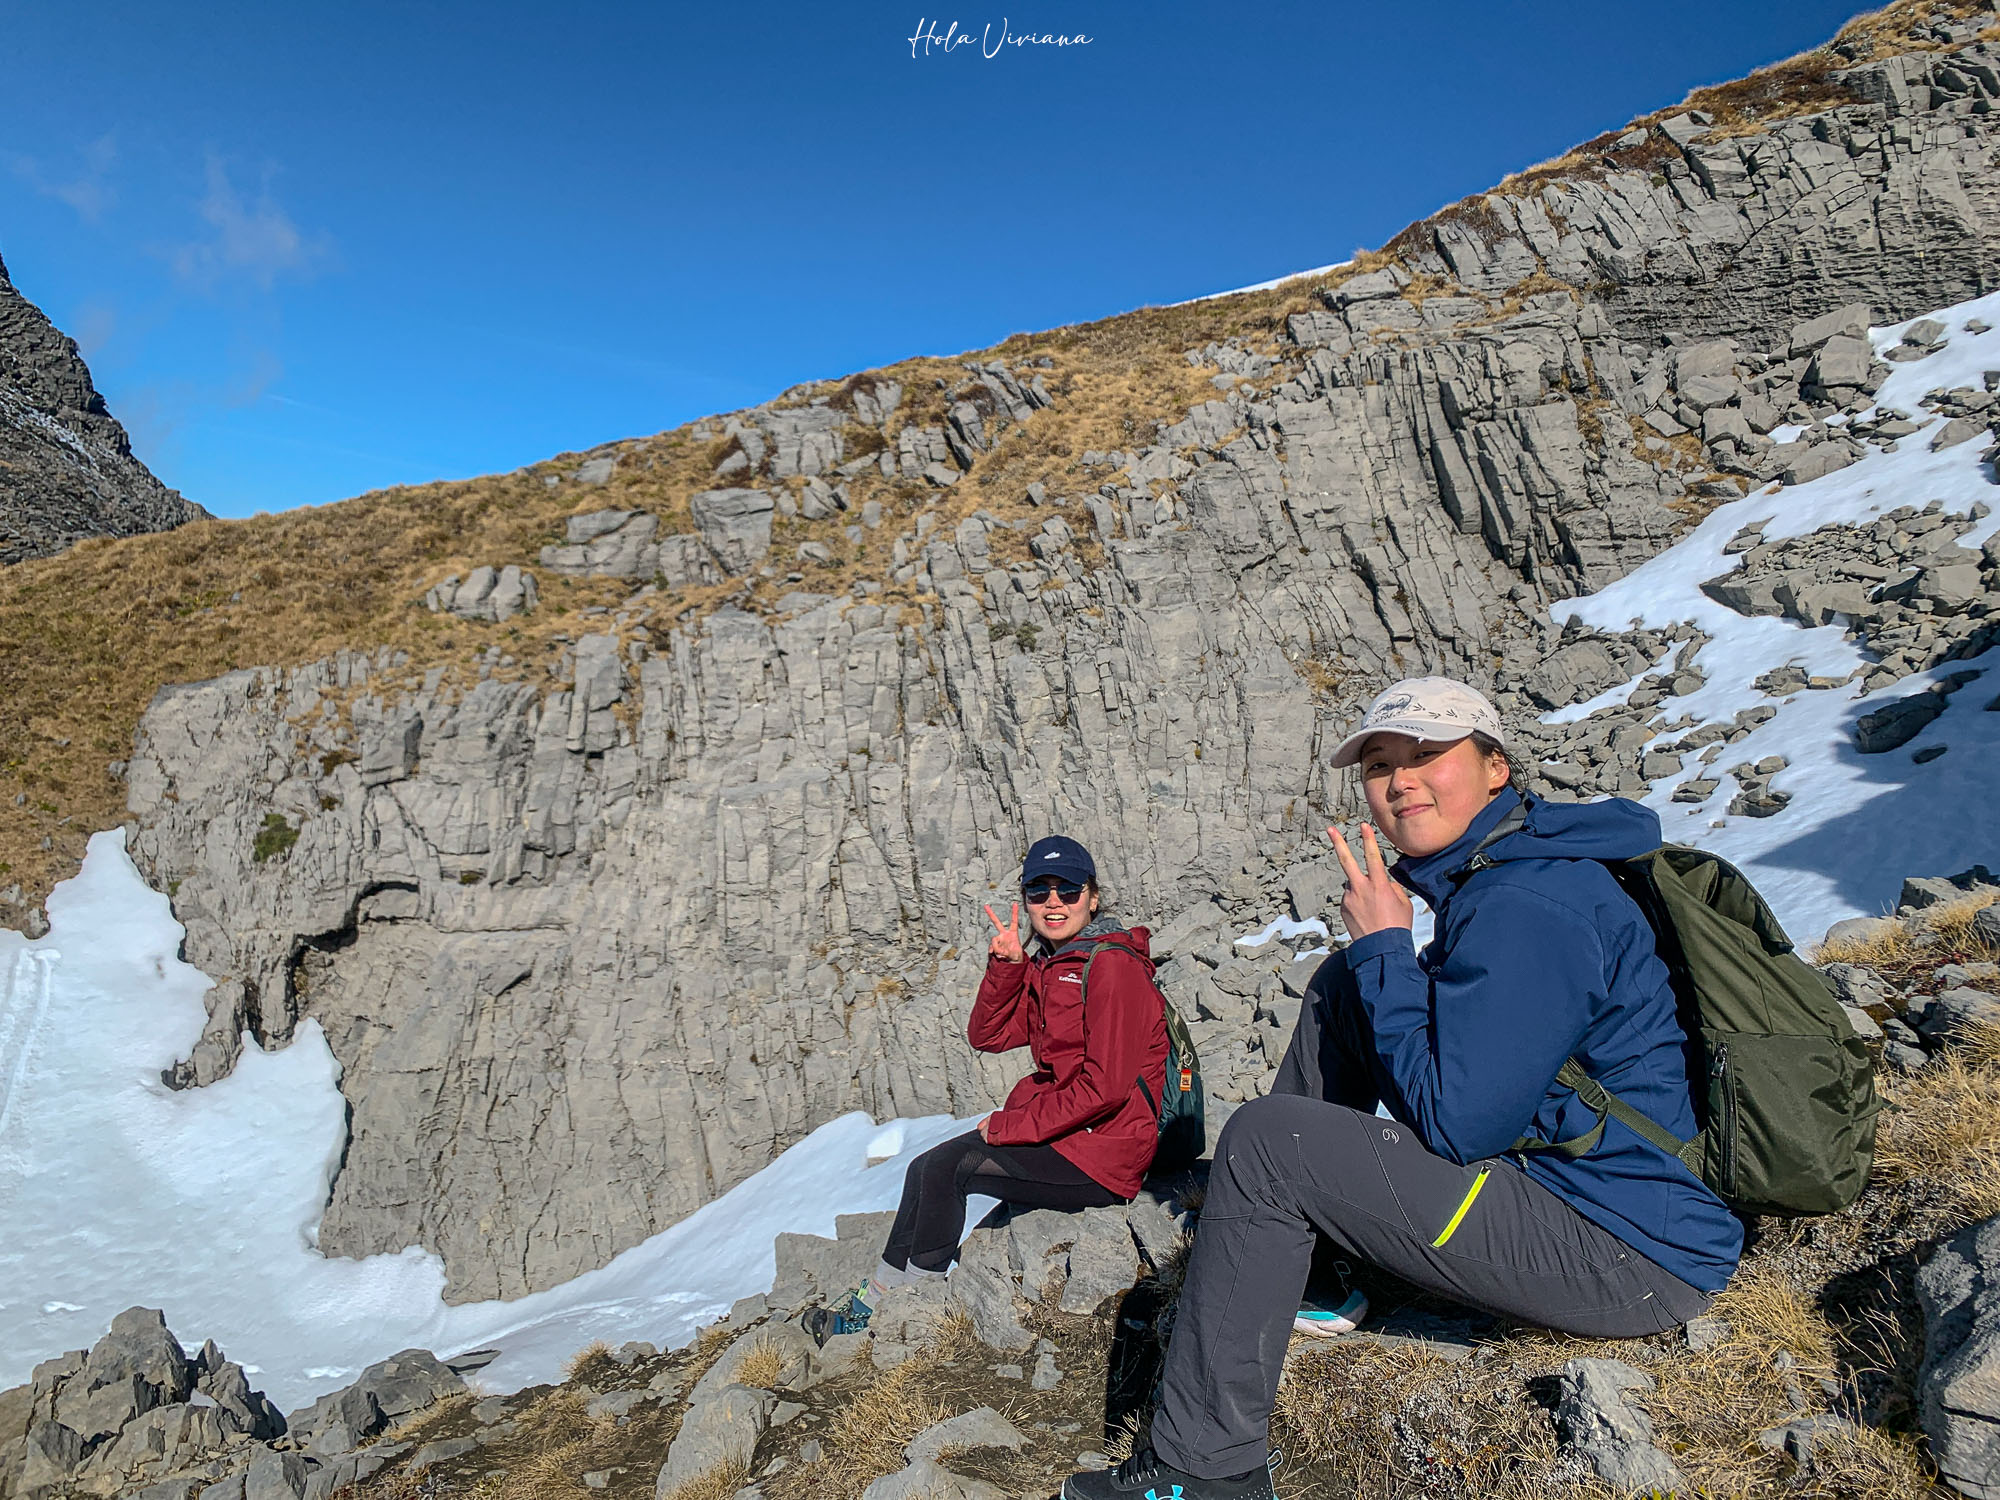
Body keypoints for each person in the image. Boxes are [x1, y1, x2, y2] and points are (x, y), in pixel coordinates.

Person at [1062, 677, 1744, 1500]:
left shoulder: (1529, 900)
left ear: (1495, 767)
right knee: (1347, 983)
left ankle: (1202, 1472)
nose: (1400, 780)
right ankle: (1300, 1267)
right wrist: (1374, 959)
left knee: (1268, 1142)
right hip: (1582, 1197)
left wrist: (1389, 943)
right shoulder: (1511, 867)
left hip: (1626, 1253)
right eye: (1380, 764)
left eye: (1428, 754)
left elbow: (1460, 1125)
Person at [807, 835, 1170, 1342]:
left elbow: (1106, 1088)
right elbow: (989, 1035)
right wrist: (1008, 966)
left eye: (1067, 889)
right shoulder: (1055, 963)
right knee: (924, 1166)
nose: (1053, 903)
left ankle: (920, 1310)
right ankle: (880, 1295)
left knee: (950, 1169)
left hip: (1105, 1154)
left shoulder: (1110, 966)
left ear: (1092, 896)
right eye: (1039, 891)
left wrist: (1008, 1126)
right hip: (1072, 1135)